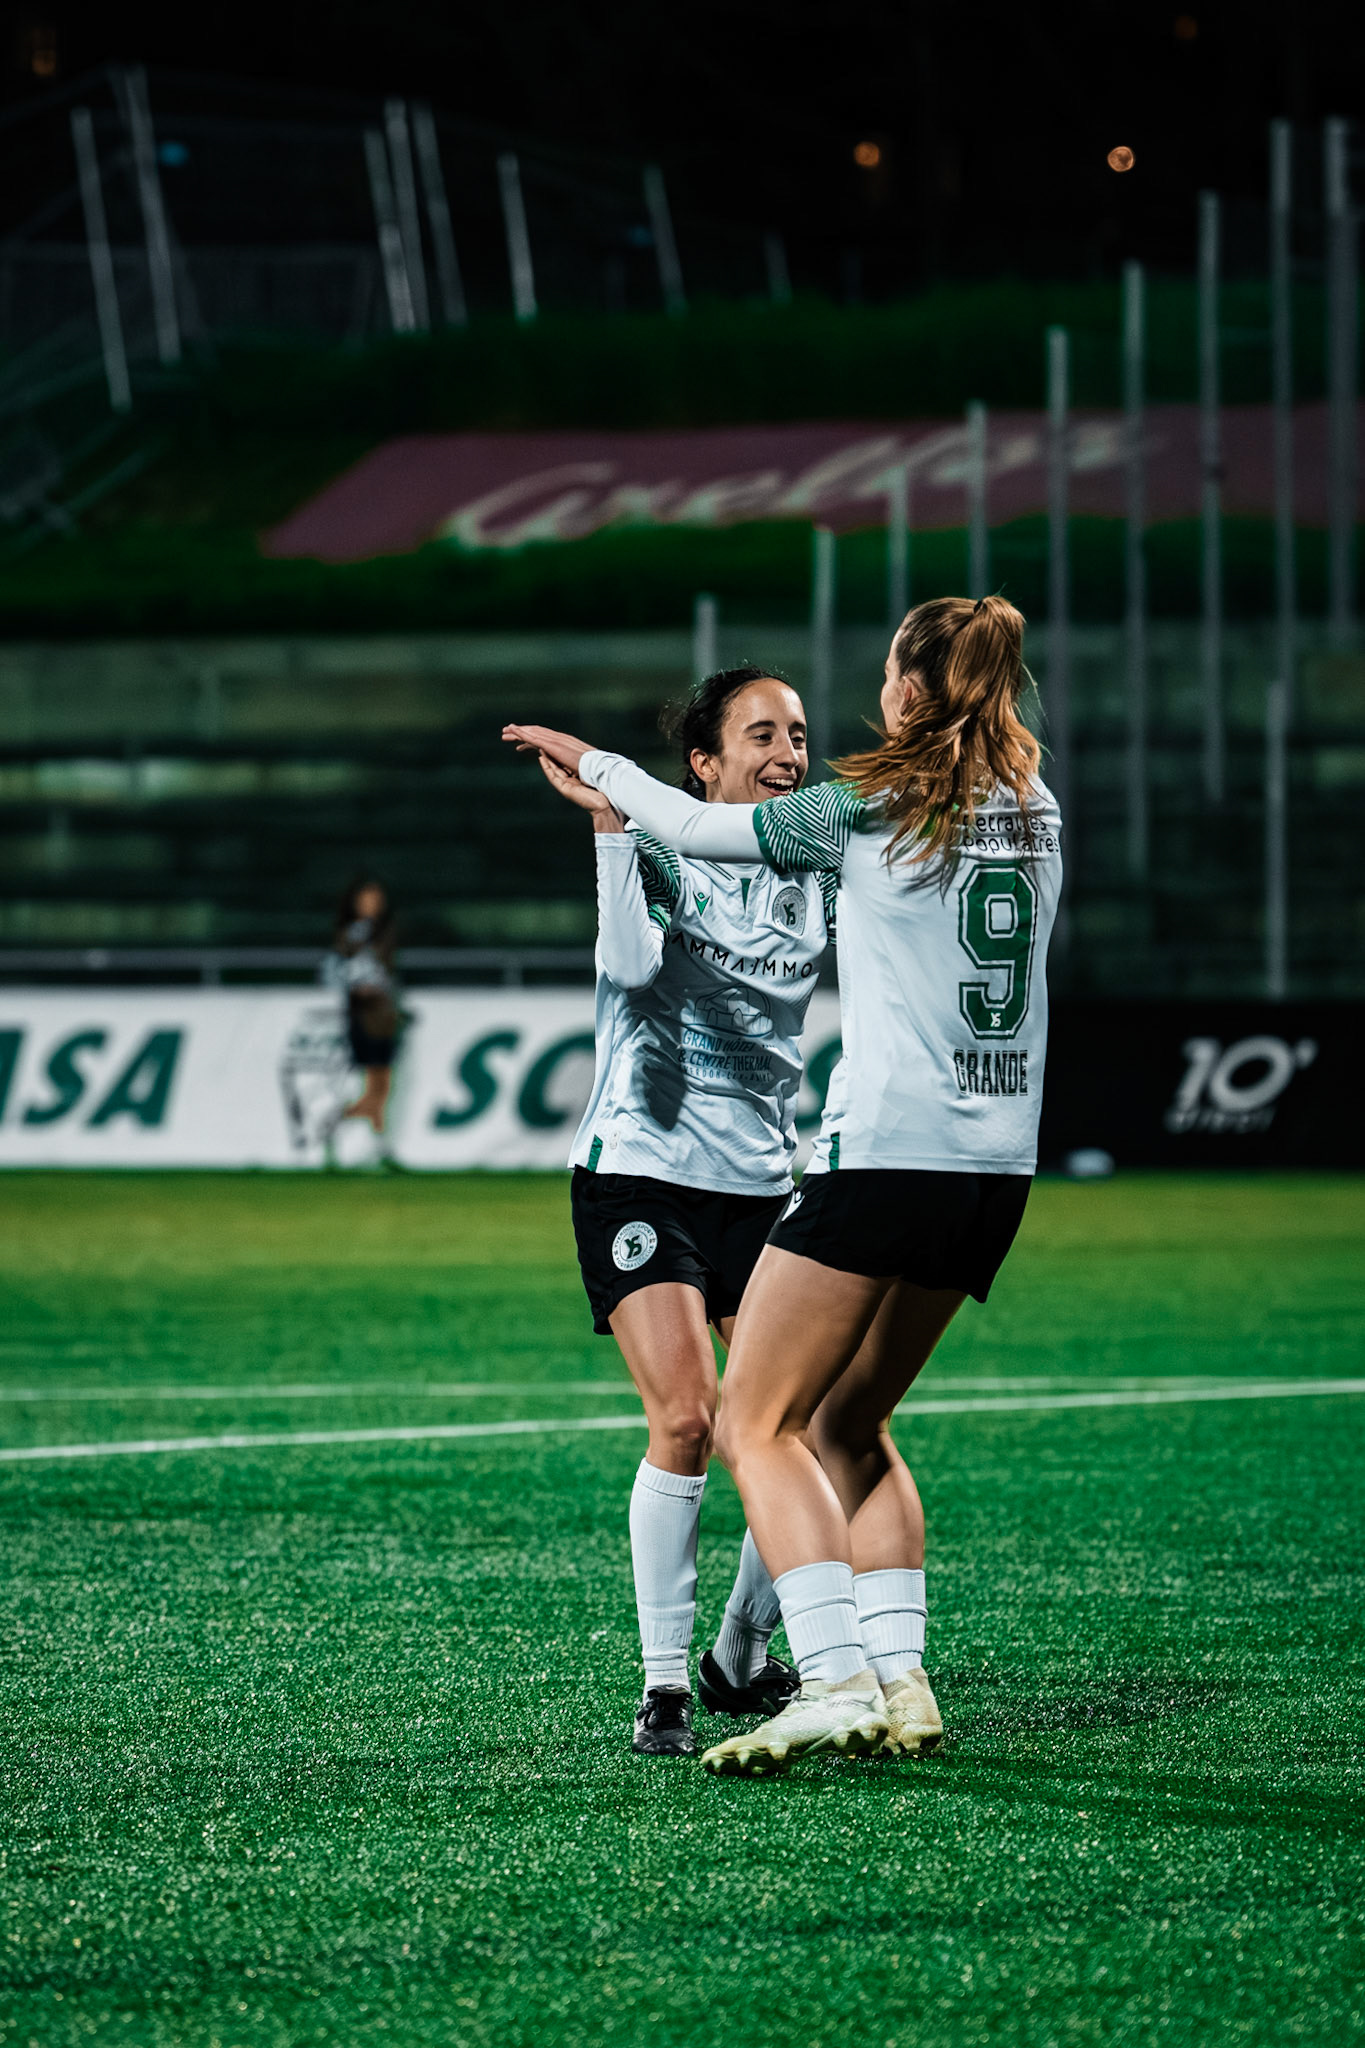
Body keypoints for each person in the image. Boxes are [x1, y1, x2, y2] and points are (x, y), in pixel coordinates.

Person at [505, 593, 1063, 1775]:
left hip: (886, 1152)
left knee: (755, 1419)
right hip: (997, 1167)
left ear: (910, 688)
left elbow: (687, 822)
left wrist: (595, 765)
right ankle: (898, 1677)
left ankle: (830, 1675)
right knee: (850, 1421)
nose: (803, 740)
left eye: (885, 675)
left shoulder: (863, 804)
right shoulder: (1034, 803)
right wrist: (622, 840)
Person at [539, 665, 861, 1759]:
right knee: (688, 1417)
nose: (788, 753)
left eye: (798, 734)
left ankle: (739, 1651)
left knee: (796, 1424)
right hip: (641, 1169)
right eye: (761, 735)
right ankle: (664, 1684)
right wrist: (612, 832)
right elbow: (629, 966)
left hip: (763, 1183)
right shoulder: (663, 849)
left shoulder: (816, 864)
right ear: (704, 763)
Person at [325, 877, 401, 1138]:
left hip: (382, 1013)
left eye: (375, 900)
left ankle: (371, 1124)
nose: (371, 904)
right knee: (370, 1075)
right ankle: (356, 1119)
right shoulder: (349, 932)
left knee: (382, 1079)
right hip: (360, 1012)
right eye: (366, 899)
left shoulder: (385, 931)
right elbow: (335, 967)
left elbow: (387, 966)